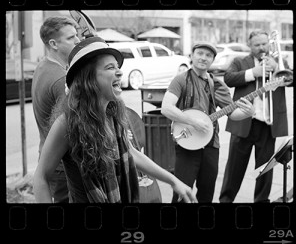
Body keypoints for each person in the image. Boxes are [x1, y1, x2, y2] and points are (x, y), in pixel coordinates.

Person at [33, 37, 197, 203]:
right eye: (110, 67)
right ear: (88, 79)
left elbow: (132, 152)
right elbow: (41, 178)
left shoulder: (113, 115)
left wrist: (173, 180)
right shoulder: (66, 123)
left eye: (118, 67)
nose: (119, 72)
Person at [161, 42, 254, 203]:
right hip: (186, 144)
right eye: (200, 53)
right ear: (192, 56)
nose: (203, 58)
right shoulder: (181, 80)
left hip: (211, 145)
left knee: (206, 194)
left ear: (212, 60)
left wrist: (249, 113)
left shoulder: (217, 84)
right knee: (182, 195)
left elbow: (232, 114)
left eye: (208, 55)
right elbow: (166, 108)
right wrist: (193, 121)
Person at [219, 29, 291, 203]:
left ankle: (261, 201)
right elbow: (228, 78)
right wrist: (253, 73)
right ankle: (226, 200)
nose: (261, 48)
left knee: (265, 168)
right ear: (249, 46)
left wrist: (276, 68)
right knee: (235, 168)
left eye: (264, 44)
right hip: (243, 122)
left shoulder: (279, 62)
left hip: (267, 124)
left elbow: (291, 79)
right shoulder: (240, 61)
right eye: (257, 45)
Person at [31, 16, 81, 203]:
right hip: (63, 164)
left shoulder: (43, 65)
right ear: (53, 44)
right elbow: (74, 127)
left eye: (76, 35)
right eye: (70, 38)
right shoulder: (61, 80)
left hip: (48, 157)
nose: (77, 41)